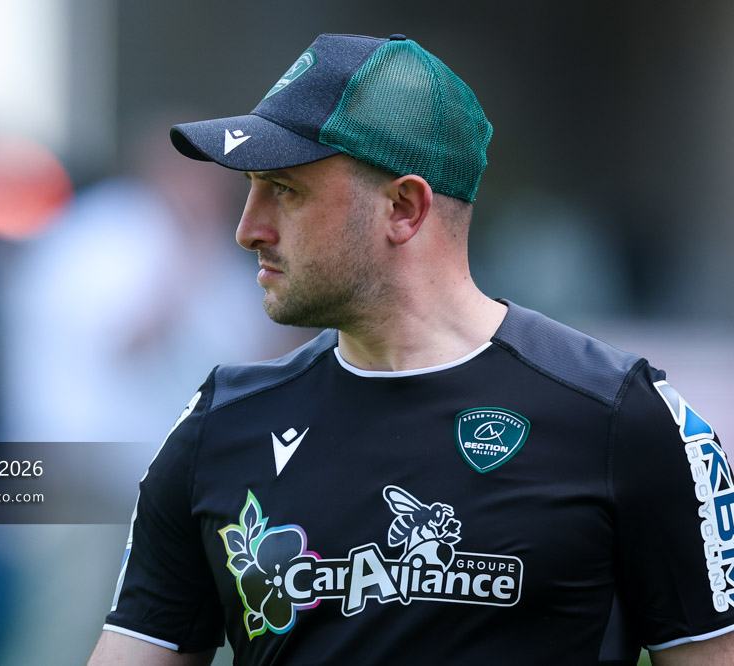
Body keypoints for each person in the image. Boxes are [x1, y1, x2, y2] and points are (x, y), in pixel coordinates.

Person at [88, 33, 734, 665]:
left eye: (284, 190)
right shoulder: (219, 425)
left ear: (403, 207)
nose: (247, 229)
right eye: (252, 187)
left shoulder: (622, 417)